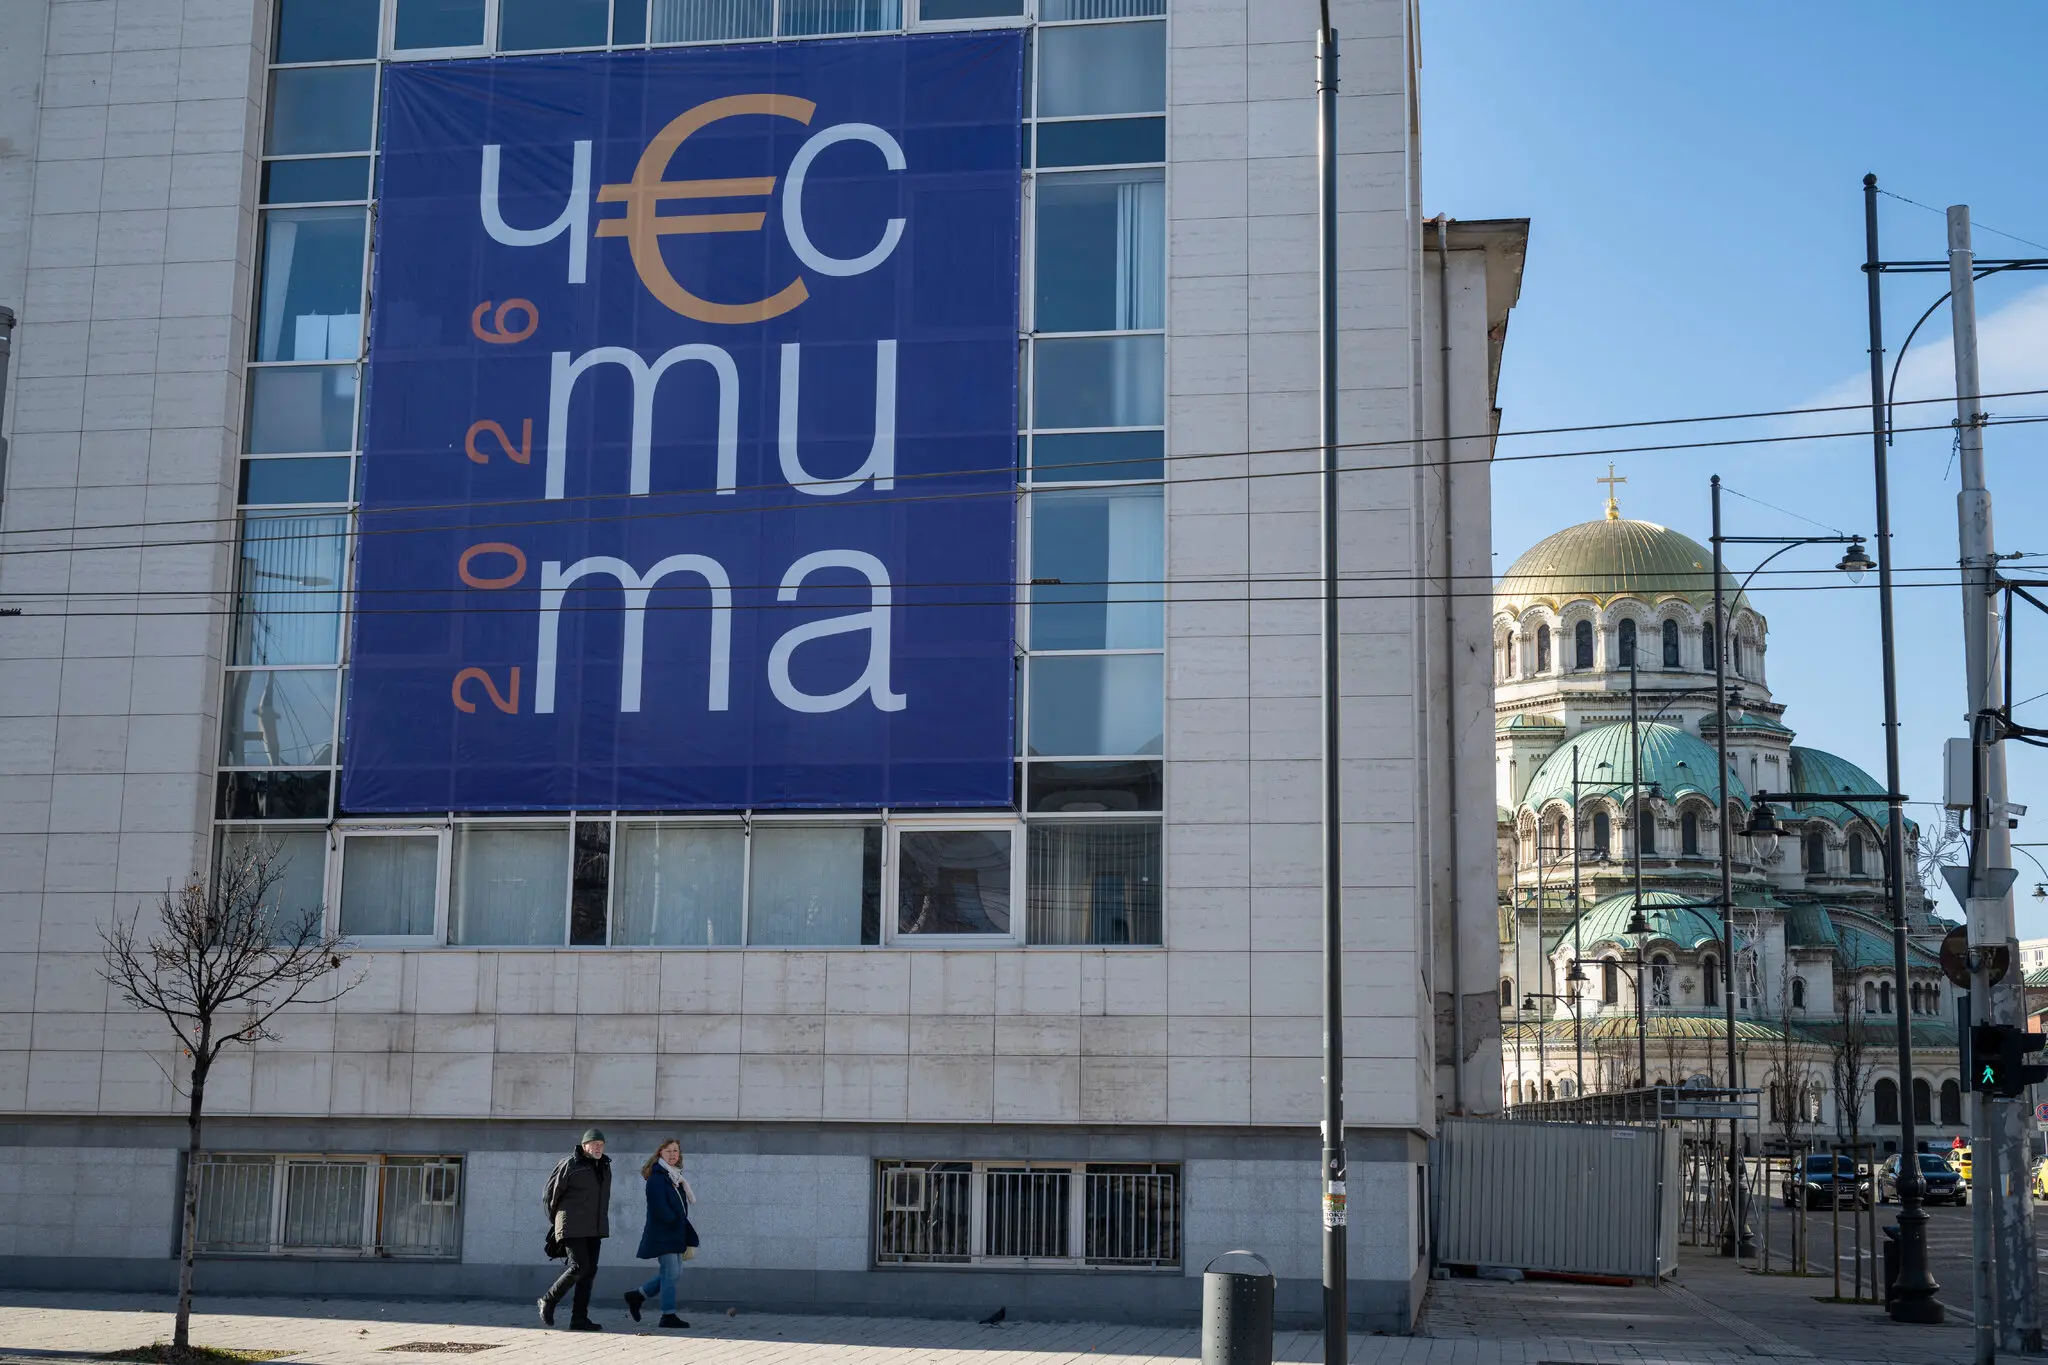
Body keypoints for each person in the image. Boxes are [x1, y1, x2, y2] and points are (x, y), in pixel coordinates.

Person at [539, 1128, 612, 1331]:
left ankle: (579, 1318)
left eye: (601, 1144)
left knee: (589, 1271)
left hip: (595, 1226)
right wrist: (558, 1222)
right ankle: (548, 1300)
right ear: (584, 1146)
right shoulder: (569, 1164)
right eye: (594, 1144)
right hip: (572, 1224)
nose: (598, 1147)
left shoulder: (604, 1166)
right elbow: (550, 1196)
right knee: (579, 1266)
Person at [624, 1139, 697, 1329]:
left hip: (675, 1233)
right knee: (671, 1274)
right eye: (668, 1151)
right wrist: (675, 1221)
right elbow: (659, 1208)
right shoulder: (657, 1177)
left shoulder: (674, 1177)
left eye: (676, 1151)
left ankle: (638, 1295)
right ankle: (668, 1315)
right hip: (664, 1234)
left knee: (673, 1273)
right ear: (660, 1153)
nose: (673, 1154)